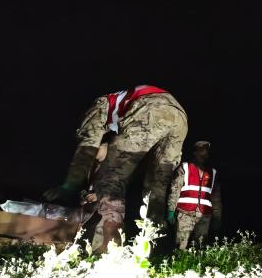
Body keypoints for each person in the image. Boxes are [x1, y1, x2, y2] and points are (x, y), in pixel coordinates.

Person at [44, 85, 188, 250]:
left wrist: (69, 185)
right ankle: (154, 247)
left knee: (111, 179)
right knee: (156, 188)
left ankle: (108, 251)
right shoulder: (119, 108)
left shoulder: (98, 105)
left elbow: (88, 146)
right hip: (179, 116)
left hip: (151, 107)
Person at [167, 140, 222, 249]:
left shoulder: (212, 172)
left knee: (200, 247)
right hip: (185, 214)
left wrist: (217, 217)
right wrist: (171, 210)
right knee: (180, 246)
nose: (204, 154)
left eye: (206, 151)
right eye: (201, 151)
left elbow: (216, 198)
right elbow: (175, 189)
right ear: (195, 153)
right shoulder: (185, 167)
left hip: (205, 216)